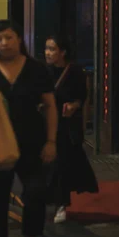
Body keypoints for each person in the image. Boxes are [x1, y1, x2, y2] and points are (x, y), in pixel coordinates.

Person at [0, 21, 58, 237]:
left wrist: (51, 141)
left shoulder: (36, 68)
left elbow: (50, 105)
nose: (4, 43)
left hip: (32, 141)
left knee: (35, 193)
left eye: (9, 37)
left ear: (19, 39)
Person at [45, 35, 98, 223]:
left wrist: (74, 106)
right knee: (50, 166)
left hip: (66, 128)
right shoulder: (45, 71)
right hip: (47, 126)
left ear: (63, 52)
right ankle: (53, 202)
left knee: (61, 166)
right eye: (46, 48)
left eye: (52, 49)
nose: (47, 53)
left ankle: (61, 205)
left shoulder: (74, 71)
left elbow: (82, 97)